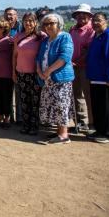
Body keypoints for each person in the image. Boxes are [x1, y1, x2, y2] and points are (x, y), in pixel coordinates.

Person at [36, 13, 75, 144]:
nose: (49, 26)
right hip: (47, 79)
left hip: (61, 79)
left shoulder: (65, 37)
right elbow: (39, 57)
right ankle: (59, 131)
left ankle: (64, 135)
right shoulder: (46, 40)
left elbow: (65, 57)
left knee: (61, 104)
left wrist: (48, 71)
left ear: (59, 24)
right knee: (53, 105)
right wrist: (39, 71)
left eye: (52, 23)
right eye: (46, 24)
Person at [86, 13, 109, 143]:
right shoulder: (98, 36)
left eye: (99, 20)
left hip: (105, 79)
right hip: (95, 77)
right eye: (94, 21)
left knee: (105, 106)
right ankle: (99, 130)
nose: (96, 23)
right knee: (97, 105)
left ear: (106, 22)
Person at [12, 12, 44, 136]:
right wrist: (13, 71)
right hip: (21, 72)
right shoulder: (18, 36)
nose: (28, 23)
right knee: (24, 100)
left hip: (35, 73)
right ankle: (26, 125)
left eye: (31, 21)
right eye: (26, 20)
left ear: (36, 22)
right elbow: (15, 55)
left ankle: (34, 125)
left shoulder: (41, 36)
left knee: (35, 101)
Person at [69, 4, 96, 131]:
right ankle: (80, 122)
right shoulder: (73, 29)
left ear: (89, 16)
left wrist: (75, 62)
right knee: (76, 95)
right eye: (79, 14)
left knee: (88, 96)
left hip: (85, 68)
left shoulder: (91, 29)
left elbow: (89, 50)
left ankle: (92, 123)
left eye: (84, 14)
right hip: (72, 67)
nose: (81, 16)